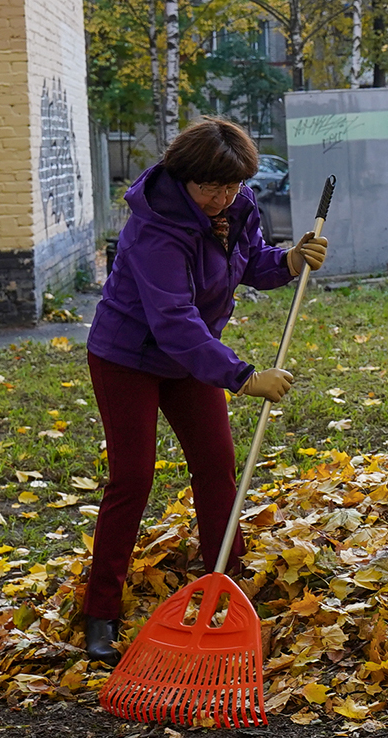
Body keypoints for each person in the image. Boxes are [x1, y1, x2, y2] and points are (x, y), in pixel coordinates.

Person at [79, 119, 327, 661]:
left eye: (233, 186)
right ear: (183, 177)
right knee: (133, 477)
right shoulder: (154, 229)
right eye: (211, 187)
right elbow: (175, 320)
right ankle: (100, 611)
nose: (223, 198)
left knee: (217, 464)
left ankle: (225, 581)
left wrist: (288, 259)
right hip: (129, 357)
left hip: (191, 358)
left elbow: (247, 262)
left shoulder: (237, 206)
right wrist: (242, 376)